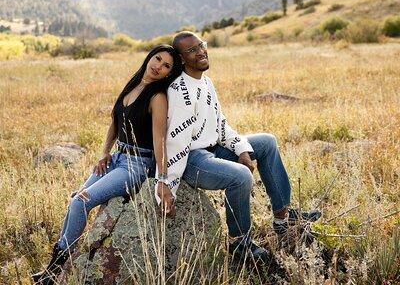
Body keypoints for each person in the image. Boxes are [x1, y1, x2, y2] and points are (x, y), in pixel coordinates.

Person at [158, 32, 321, 262]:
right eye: (192, 50)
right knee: (241, 176)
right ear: (181, 59)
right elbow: (174, 144)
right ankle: (240, 245)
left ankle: (284, 218)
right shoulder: (178, 91)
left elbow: (221, 125)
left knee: (267, 142)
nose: (201, 52)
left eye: (201, 46)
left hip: (213, 149)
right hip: (192, 161)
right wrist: (166, 186)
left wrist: (241, 149)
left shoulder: (205, 82)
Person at [32, 44, 182, 284]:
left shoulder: (158, 97)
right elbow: (116, 121)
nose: (159, 67)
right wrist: (104, 153)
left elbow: (159, 142)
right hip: (116, 158)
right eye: (157, 59)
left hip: (136, 165)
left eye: (166, 66)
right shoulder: (133, 84)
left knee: (80, 203)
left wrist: (163, 180)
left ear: (168, 74)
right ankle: (52, 270)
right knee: (75, 199)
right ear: (149, 57)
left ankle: (53, 273)